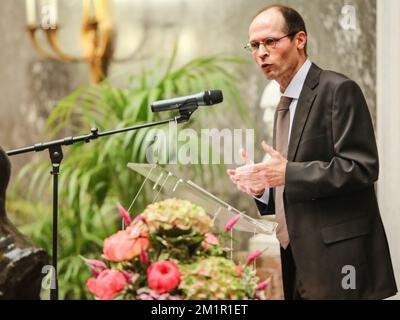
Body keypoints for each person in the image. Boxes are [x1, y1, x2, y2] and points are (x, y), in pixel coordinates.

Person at [227, 4, 397, 300]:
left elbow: (361, 167)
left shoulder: (338, 89)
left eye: (270, 41)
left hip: (340, 260)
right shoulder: (285, 103)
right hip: (297, 258)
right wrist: (264, 188)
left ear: (299, 40)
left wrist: (286, 172)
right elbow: (292, 181)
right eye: (254, 45)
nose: (261, 52)